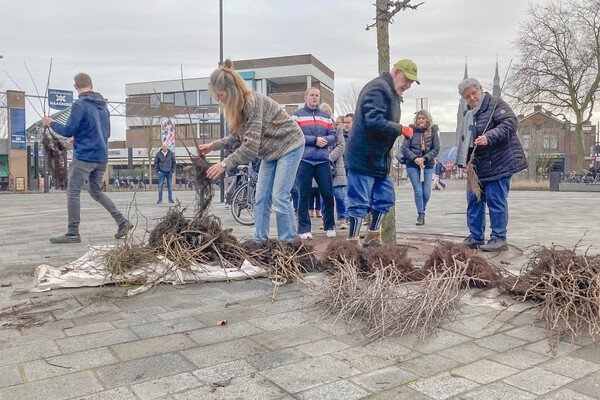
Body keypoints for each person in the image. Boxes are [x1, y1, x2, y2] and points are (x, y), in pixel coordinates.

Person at [196, 59, 305, 243]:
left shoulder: (252, 103)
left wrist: (224, 164)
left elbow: (250, 148)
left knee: (279, 196)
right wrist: (213, 145)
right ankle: (259, 241)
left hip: (289, 145)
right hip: (270, 152)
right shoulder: (237, 108)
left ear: (230, 91)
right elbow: (237, 138)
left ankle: (289, 243)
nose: (218, 99)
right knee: (261, 197)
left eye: (220, 95)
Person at [41, 73, 132, 244]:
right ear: (91, 84)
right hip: (101, 156)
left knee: (73, 191)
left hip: (84, 156)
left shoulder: (79, 105)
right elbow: (106, 132)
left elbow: (67, 130)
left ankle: (73, 232)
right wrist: (82, 136)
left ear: (75, 87)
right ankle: (122, 221)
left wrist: (50, 122)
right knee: (96, 191)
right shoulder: (103, 106)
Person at [345, 59, 418, 246]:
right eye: (406, 79)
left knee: (385, 197)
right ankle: (352, 241)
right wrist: (400, 129)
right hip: (363, 157)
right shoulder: (378, 88)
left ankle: (373, 235)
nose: (408, 85)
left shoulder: (392, 93)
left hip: (379, 158)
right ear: (395, 72)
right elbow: (373, 120)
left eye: (412, 82)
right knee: (359, 201)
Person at [456, 77, 527, 251]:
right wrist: (465, 162)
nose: (472, 98)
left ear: (480, 88)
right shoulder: (468, 114)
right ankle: (475, 236)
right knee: (474, 200)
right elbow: (466, 141)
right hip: (478, 167)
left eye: (474, 93)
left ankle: (499, 238)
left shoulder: (496, 104)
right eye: (467, 97)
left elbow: (511, 123)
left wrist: (490, 137)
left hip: (499, 163)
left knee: (496, 200)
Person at [292, 87, 337, 240]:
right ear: (306, 97)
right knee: (303, 194)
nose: (315, 98)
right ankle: (304, 229)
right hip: (304, 159)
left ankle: (329, 226)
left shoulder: (326, 116)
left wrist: (324, 142)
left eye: (317, 95)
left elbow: (333, 135)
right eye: (312, 95)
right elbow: (295, 135)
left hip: (323, 159)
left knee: (328, 194)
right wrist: (314, 140)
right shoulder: (297, 115)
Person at [399, 109, 439, 226]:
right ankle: (420, 214)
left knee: (426, 192)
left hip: (427, 164)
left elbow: (436, 149)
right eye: (419, 118)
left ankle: (422, 208)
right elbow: (405, 148)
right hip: (412, 164)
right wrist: (415, 158)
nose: (420, 120)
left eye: (423, 118)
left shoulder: (432, 132)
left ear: (427, 119)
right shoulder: (411, 131)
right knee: (418, 190)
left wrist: (424, 158)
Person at [320, 103, 348, 230]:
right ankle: (325, 220)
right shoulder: (317, 128)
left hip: (336, 166)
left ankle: (342, 218)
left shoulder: (337, 129)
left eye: (326, 112)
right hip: (321, 165)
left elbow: (341, 146)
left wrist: (329, 157)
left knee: (339, 195)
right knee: (324, 195)